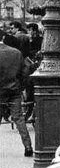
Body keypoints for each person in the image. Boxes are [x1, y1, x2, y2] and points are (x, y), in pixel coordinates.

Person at [0, 28, 33, 156]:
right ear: (3, 38)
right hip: (14, 90)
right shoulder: (16, 53)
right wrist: (20, 86)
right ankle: (28, 146)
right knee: (19, 118)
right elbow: (24, 73)